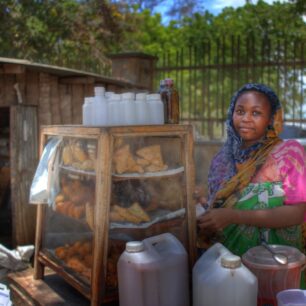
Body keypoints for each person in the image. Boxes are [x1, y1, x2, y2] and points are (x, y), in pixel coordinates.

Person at [197, 83, 306, 259]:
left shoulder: (288, 154)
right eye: (240, 111)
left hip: (274, 260)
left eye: (256, 113)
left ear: (271, 119)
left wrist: (233, 216)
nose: (246, 118)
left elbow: (296, 213)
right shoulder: (221, 160)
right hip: (226, 260)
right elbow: (217, 203)